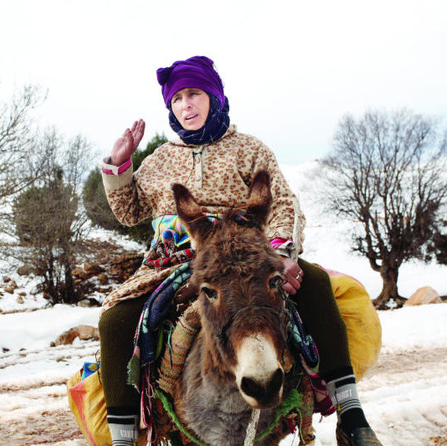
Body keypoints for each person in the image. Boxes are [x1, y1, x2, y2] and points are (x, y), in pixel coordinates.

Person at [98, 56, 382, 446]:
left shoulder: (250, 149)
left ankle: (351, 415)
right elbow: (129, 212)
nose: (186, 105)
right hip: (175, 259)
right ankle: (124, 439)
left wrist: (282, 253)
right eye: (177, 99)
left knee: (314, 283)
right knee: (114, 321)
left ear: (214, 97)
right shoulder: (159, 160)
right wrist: (120, 164)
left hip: (247, 255)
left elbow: (283, 202)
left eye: (194, 94)